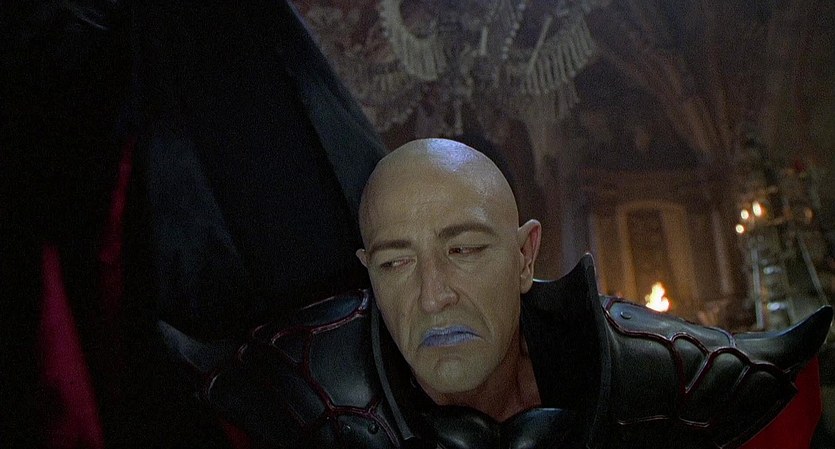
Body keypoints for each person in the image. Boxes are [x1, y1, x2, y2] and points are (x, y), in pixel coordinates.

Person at [163, 138, 832, 449]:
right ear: (368, 272)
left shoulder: (660, 377)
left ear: (524, 255)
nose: (433, 296)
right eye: (396, 261)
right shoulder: (305, 385)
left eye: (463, 250)